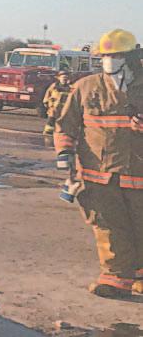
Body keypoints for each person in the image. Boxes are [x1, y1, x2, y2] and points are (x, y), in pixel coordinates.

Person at [54, 29, 143, 299]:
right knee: (107, 227)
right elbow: (66, 124)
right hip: (99, 176)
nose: (109, 60)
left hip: (138, 174)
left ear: (131, 57)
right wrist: (64, 153)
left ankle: (139, 275)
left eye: (116, 55)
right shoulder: (86, 87)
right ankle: (116, 278)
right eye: (104, 56)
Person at [43, 70, 72, 135]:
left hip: (65, 109)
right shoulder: (54, 86)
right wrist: (46, 102)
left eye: (66, 78)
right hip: (54, 108)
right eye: (63, 77)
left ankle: (61, 132)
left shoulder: (71, 88)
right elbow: (48, 94)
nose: (64, 79)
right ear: (59, 78)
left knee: (63, 122)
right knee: (51, 120)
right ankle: (48, 132)